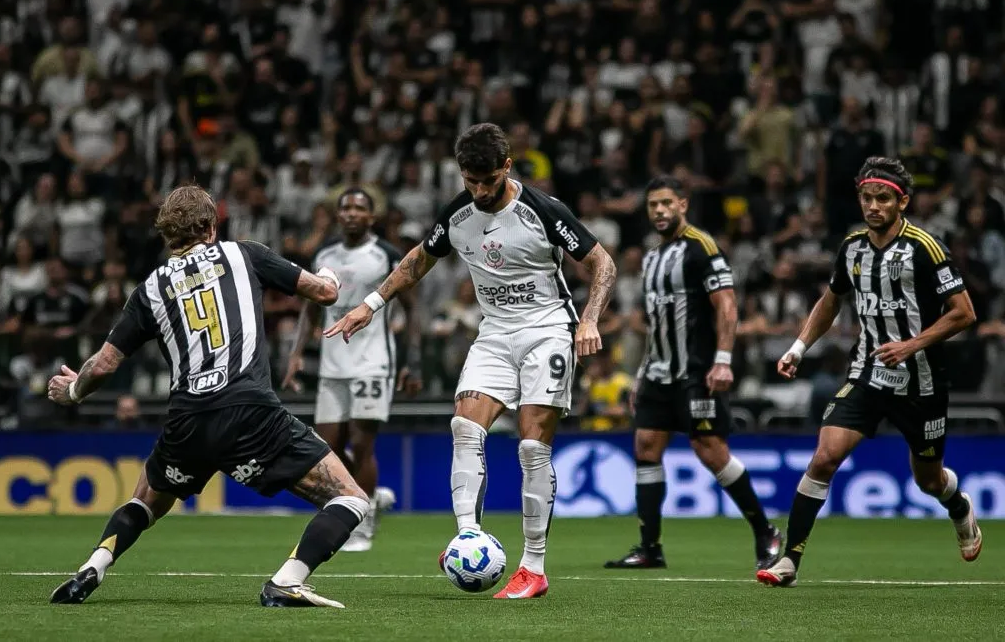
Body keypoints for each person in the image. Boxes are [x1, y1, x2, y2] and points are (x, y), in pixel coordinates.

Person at [326, 123, 617, 599]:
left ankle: (534, 568)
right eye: (470, 180)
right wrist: (370, 305)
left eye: (487, 180)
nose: (479, 190)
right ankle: (467, 536)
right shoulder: (459, 213)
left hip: (547, 330)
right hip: (495, 334)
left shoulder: (543, 211)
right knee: (464, 426)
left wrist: (588, 320)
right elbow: (418, 259)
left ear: (507, 166)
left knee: (531, 446)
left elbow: (603, 263)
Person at [47, 183, 369, 608]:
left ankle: (95, 564)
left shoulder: (151, 287)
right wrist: (328, 275)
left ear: (167, 236)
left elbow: (104, 364)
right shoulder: (243, 254)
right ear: (211, 227)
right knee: (351, 498)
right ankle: (287, 580)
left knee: (145, 500)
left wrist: (71, 390)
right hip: (250, 414)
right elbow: (325, 292)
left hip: (187, 421)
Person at [757, 157, 983, 588]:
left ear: (903, 203)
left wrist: (911, 344)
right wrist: (799, 347)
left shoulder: (925, 248)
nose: (873, 206)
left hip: (922, 382)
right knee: (824, 458)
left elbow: (964, 314)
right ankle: (789, 561)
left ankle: (959, 507)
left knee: (929, 480)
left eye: (883, 198)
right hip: (867, 373)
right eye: (867, 197)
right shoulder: (853, 247)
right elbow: (831, 300)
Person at [604, 176, 782, 572]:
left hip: (697, 371)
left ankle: (764, 529)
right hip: (659, 371)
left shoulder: (702, 248)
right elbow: (658, 323)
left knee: (710, 452)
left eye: (667, 203)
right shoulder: (651, 257)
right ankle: (650, 547)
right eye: (653, 205)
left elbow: (728, 305)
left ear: (683, 204)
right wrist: (641, 375)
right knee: (646, 446)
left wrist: (723, 359)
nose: (660, 211)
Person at [282, 189, 422, 552]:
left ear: (371, 217)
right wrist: (296, 354)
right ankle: (370, 497)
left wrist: (413, 360)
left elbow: (412, 307)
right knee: (328, 447)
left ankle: (362, 525)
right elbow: (311, 307)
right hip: (332, 365)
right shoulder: (324, 254)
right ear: (337, 214)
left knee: (362, 444)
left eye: (360, 208)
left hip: (373, 362)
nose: (352, 213)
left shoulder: (385, 254)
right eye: (346, 207)